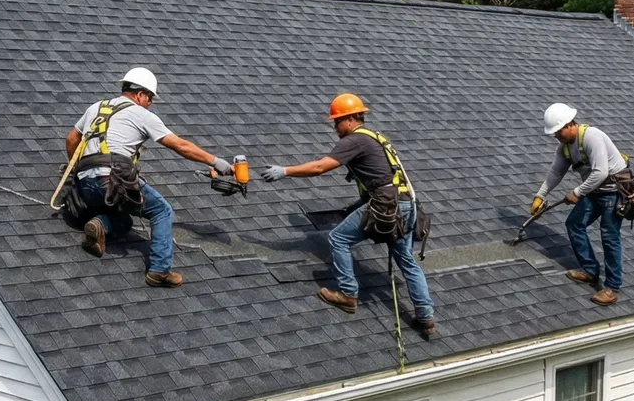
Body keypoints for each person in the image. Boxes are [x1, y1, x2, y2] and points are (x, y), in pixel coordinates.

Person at [260, 94, 436, 339]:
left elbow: (321, 166)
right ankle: (426, 316)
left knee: (338, 238)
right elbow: (384, 177)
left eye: (337, 121)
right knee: (406, 260)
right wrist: (358, 205)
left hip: (386, 206)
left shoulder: (354, 140)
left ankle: (348, 295)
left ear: (351, 118)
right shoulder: (376, 137)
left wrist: (285, 171)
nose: (335, 128)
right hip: (407, 205)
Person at [61, 67, 230, 288]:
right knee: (161, 210)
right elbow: (180, 145)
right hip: (113, 179)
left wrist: (77, 171)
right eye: (150, 98)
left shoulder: (96, 107)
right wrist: (216, 162)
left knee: (124, 221)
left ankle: (100, 224)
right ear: (140, 94)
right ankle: (159, 271)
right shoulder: (142, 114)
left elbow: (71, 139)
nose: (150, 103)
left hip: (85, 184)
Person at [532, 102, 632, 306]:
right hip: (595, 191)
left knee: (609, 236)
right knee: (574, 223)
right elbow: (555, 172)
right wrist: (540, 196)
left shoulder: (591, 136)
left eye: (558, 132)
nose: (556, 137)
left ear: (569, 124)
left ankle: (612, 288)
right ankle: (589, 270)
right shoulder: (565, 147)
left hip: (615, 192)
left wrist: (576, 193)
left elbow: (601, 172)